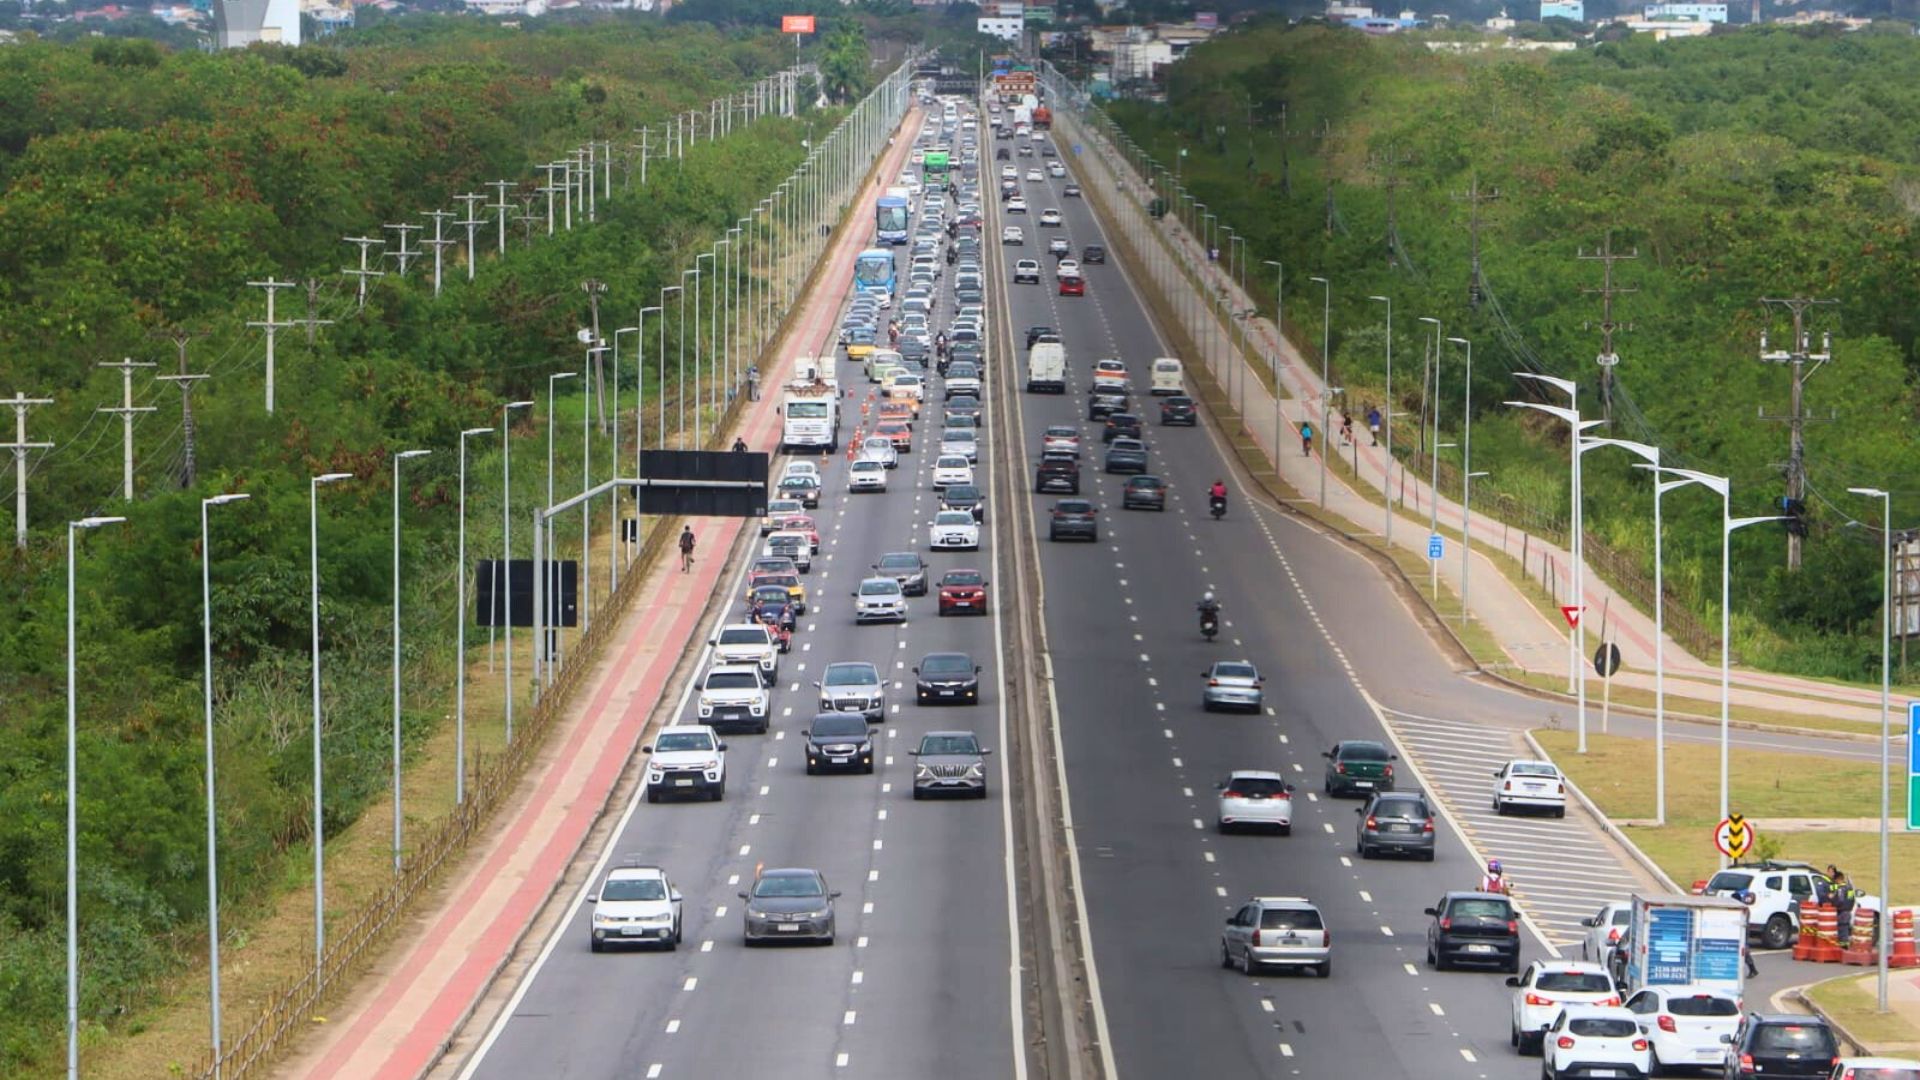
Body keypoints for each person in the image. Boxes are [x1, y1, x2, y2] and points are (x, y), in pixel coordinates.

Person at [1735, 891, 1761, 977]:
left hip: (1744, 931)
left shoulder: (1743, 909)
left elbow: (1743, 922)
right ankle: (1752, 969)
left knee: (1744, 950)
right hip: (1742, 930)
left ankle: (1752, 969)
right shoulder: (1742, 908)